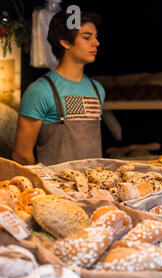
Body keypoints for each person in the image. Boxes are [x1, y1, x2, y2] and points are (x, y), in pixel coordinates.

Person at [12, 10, 105, 166]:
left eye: (96, 37)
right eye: (87, 37)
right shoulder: (40, 91)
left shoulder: (97, 90)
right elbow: (21, 155)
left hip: (94, 188)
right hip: (56, 188)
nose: (96, 42)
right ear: (65, 42)